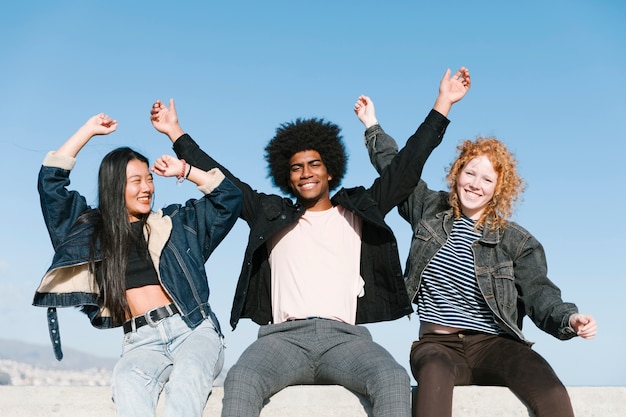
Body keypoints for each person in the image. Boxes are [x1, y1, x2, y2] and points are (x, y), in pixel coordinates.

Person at [149, 67, 470, 417]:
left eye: (314, 164)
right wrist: (175, 133)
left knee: (392, 378)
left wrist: (443, 103)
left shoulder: (358, 211)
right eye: (297, 167)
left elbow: (407, 167)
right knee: (240, 378)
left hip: (345, 340)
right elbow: (225, 180)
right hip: (281, 340)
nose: (306, 173)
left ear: (329, 170)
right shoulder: (270, 213)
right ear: (287, 177)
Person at [357, 96, 598, 417]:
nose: (475, 184)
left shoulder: (517, 240)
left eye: (487, 179)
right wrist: (372, 125)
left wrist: (570, 319)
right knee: (433, 384)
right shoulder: (430, 209)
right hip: (438, 347)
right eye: (470, 173)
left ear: (499, 188)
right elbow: (396, 169)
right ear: (458, 174)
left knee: (552, 393)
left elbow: (542, 296)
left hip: (496, 346)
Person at [33, 112, 243, 417]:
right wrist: (88, 131)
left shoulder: (176, 224)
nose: (147, 187)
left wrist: (185, 169)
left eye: (149, 179)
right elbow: (50, 184)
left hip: (192, 329)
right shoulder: (90, 232)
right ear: (115, 186)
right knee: (127, 382)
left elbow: (229, 199)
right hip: (140, 341)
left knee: (187, 382)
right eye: (136, 181)